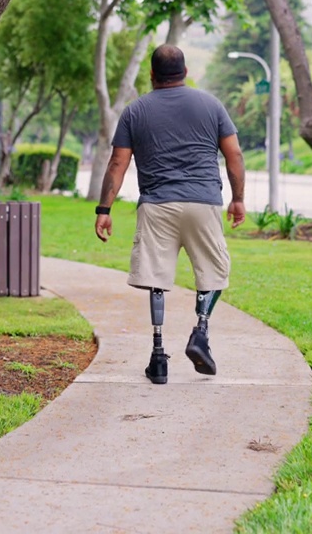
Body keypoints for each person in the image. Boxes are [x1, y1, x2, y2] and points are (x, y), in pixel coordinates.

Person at [94, 44, 246, 384]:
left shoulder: (135, 111)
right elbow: (234, 154)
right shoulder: (211, 105)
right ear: (185, 72)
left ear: (151, 75)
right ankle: (201, 333)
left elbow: (118, 162)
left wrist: (104, 209)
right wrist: (238, 199)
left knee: (156, 278)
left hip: (156, 206)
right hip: (203, 203)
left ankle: (158, 357)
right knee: (214, 272)